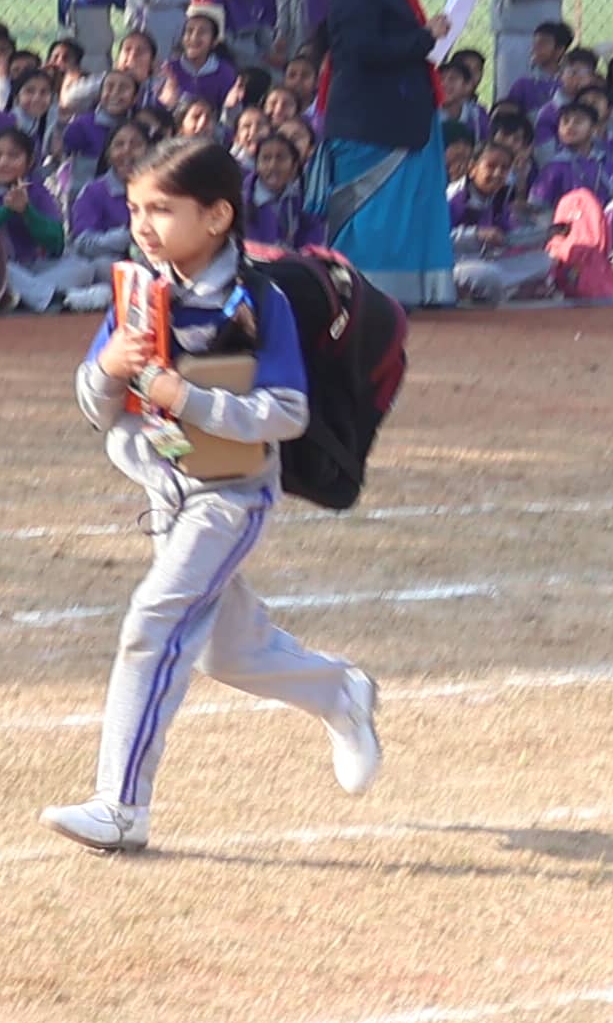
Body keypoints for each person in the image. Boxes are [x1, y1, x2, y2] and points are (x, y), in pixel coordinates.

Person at [48, 142, 378, 855]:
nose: (142, 224)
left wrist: (188, 398)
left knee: (155, 620)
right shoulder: (140, 290)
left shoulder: (259, 301)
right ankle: (339, 693)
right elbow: (96, 408)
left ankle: (121, 806)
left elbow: (286, 413)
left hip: (231, 497)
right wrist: (107, 370)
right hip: (166, 491)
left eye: (162, 209)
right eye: (135, 208)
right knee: (226, 653)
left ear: (218, 216)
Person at [306, 0, 451, 304]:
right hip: (370, 123)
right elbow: (360, 50)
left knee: (404, 213)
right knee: (370, 214)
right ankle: (363, 297)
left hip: (401, 118)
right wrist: (425, 37)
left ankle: (398, 296)